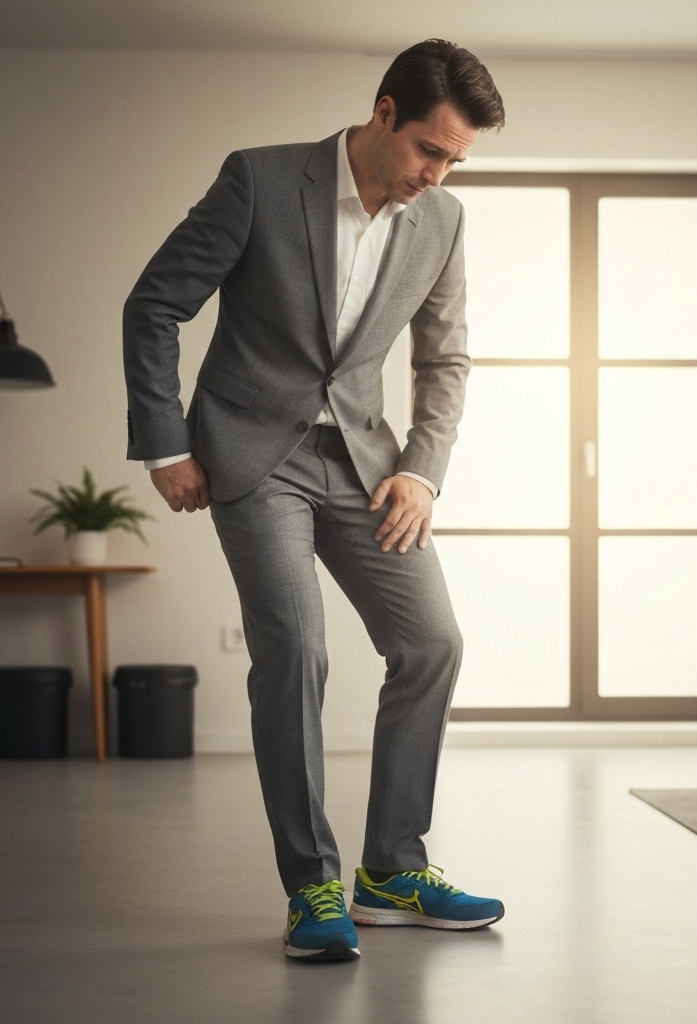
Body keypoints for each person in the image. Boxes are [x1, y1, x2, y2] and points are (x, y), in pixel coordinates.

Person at [122, 39, 505, 963]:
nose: (438, 173)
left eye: (455, 159)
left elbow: (444, 360)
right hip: (252, 456)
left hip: (366, 463)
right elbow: (156, 303)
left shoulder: (442, 219)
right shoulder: (259, 179)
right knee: (296, 650)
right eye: (429, 149)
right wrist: (166, 441)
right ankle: (314, 886)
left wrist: (420, 468)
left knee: (432, 641)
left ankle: (392, 869)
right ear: (383, 114)